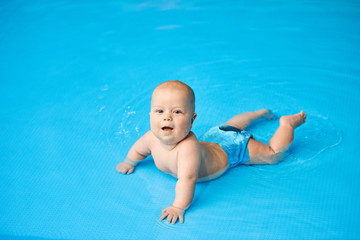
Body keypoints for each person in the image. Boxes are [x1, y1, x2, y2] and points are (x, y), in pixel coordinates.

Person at [116, 80, 306, 224]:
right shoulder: (150, 137)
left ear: (192, 119)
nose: (167, 116)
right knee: (232, 126)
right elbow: (138, 150)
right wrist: (130, 161)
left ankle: (286, 124)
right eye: (159, 111)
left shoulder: (187, 148)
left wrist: (178, 206)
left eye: (177, 112)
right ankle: (260, 114)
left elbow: (187, 179)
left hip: (233, 149)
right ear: (150, 114)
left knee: (273, 154)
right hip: (215, 136)